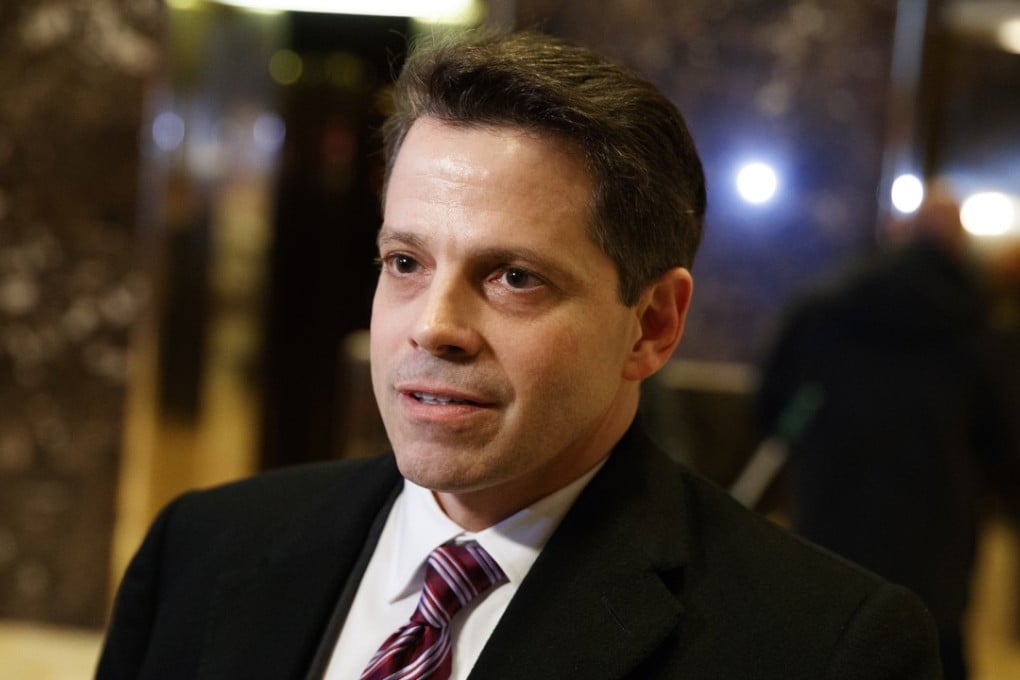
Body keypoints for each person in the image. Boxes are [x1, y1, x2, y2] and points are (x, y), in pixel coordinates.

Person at [97, 30, 941, 679]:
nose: (435, 327)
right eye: (405, 263)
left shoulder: (824, 649)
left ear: (651, 324)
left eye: (514, 277)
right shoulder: (201, 552)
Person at [756, 190, 1016, 680]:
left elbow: (771, 407)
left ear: (899, 235)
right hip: (936, 551)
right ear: (958, 246)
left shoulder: (825, 309)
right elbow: (1005, 443)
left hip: (828, 532)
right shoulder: (978, 330)